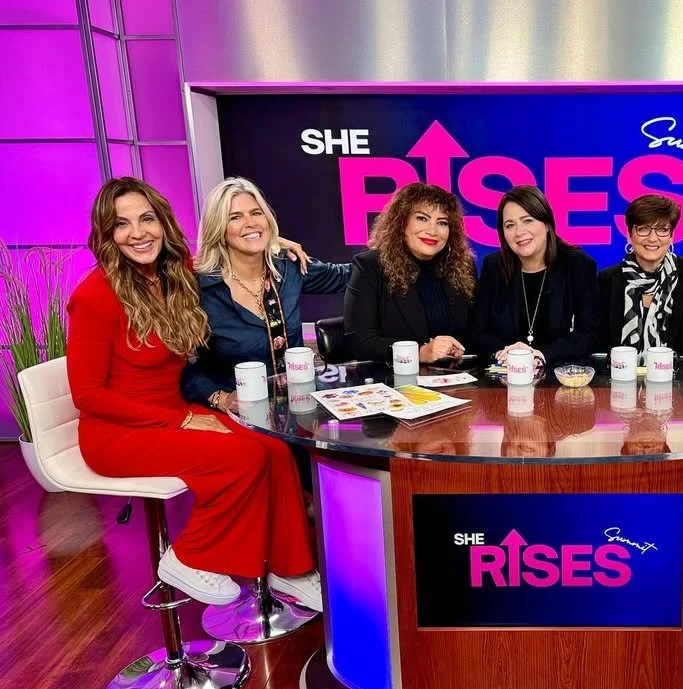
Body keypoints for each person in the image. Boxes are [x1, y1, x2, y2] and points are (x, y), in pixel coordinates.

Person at [66, 178, 321, 610]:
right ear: (106, 235)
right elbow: (86, 395)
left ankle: (290, 569)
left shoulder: (175, 273)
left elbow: (231, 251)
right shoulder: (94, 295)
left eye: (147, 219)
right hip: (118, 432)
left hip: (172, 413)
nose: (139, 232)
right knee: (244, 457)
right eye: (122, 225)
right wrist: (181, 419)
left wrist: (272, 243)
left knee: (275, 452)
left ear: (163, 223)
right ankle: (189, 556)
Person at [182, 177, 350, 412]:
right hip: (240, 413)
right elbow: (179, 365)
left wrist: (404, 244)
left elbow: (350, 276)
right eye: (235, 217)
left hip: (299, 406)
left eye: (256, 213)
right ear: (218, 228)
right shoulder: (198, 287)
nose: (250, 223)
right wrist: (219, 397)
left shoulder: (289, 266)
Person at [343, 183, 476, 363]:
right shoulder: (370, 266)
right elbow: (360, 343)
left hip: (454, 377)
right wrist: (420, 353)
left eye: (442, 223)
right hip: (394, 380)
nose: (432, 231)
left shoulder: (463, 267)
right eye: (422, 218)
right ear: (402, 222)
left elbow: (475, 332)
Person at [471, 185, 599, 366]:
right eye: (509, 225)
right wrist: (504, 352)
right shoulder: (494, 267)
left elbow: (589, 335)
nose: (519, 232)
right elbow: (478, 332)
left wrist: (541, 354)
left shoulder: (579, 265)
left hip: (560, 377)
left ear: (547, 224)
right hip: (506, 375)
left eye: (527, 220)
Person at [598, 194, 683, 356]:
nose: (653, 238)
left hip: (679, 378)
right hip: (619, 377)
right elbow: (599, 342)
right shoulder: (607, 279)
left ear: (672, 235)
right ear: (629, 234)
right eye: (643, 229)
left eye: (662, 230)